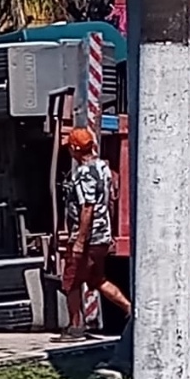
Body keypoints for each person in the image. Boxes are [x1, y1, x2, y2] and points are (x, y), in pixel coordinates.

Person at [58, 127, 131, 341]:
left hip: (87, 238)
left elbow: (87, 207)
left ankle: (75, 327)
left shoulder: (83, 173)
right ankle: (130, 309)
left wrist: (80, 240)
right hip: (102, 236)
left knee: (70, 282)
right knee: (97, 279)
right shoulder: (103, 168)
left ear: (74, 149)